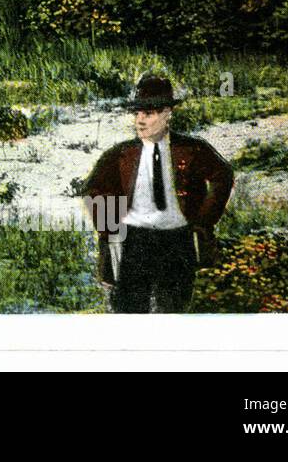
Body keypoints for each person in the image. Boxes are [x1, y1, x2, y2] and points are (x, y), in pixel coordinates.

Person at [83, 75, 234, 313]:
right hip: (133, 241)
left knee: (175, 309)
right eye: (137, 114)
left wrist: (203, 220)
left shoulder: (192, 149)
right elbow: (94, 189)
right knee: (128, 311)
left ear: (167, 114)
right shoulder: (121, 154)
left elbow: (222, 175)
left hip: (177, 240)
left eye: (149, 113)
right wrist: (109, 229)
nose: (140, 121)